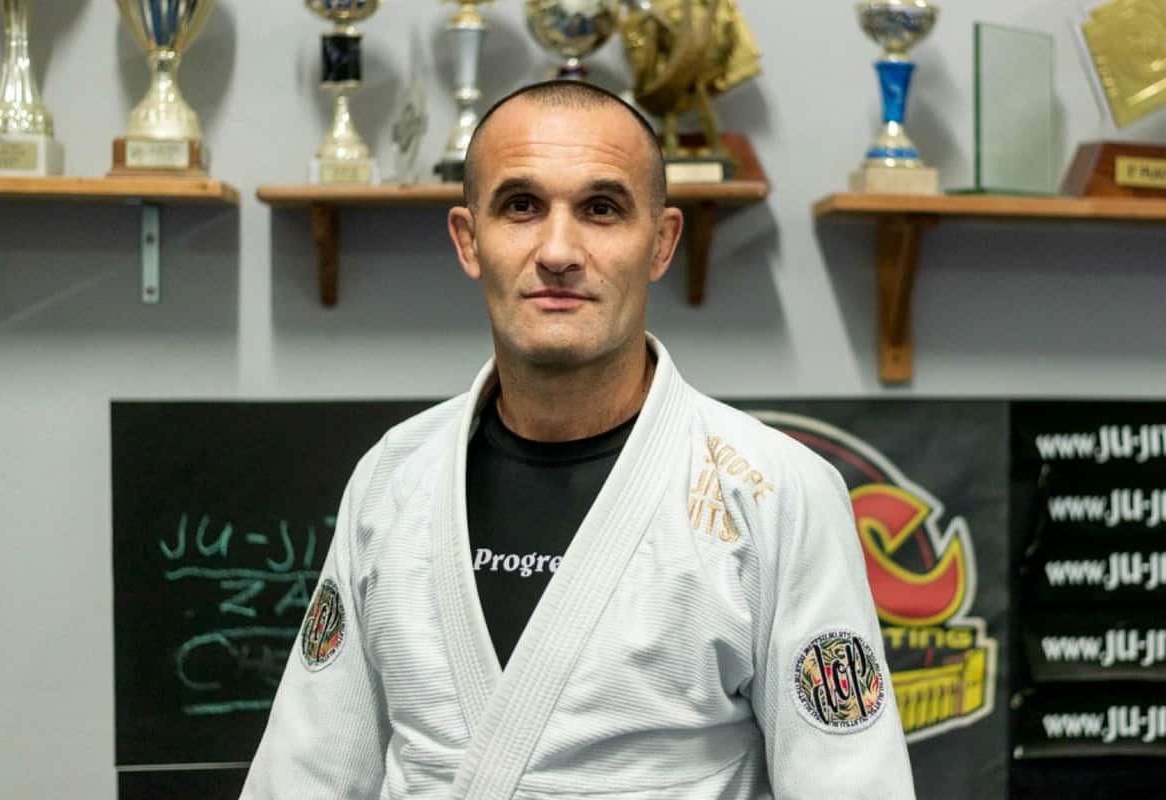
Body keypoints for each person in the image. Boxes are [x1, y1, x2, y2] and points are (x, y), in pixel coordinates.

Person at [241, 80, 915, 799]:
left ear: (660, 243)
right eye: (520, 206)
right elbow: (306, 774)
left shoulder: (774, 490)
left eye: (601, 209)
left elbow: (852, 784)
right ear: (469, 241)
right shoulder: (393, 478)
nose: (558, 251)